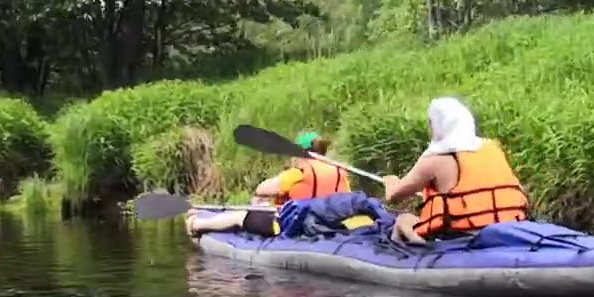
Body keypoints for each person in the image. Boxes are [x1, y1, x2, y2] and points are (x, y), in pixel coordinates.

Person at [380, 97, 530, 243]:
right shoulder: (491, 147)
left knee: (403, 219)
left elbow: (393, 196)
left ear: (437, 125)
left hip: (462, 235)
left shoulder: (435, 158)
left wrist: (390, 181)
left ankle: (408, 252)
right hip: (511, 227)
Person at [186, 131, 371, 237]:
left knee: (242, 215)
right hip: (332, 223)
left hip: (296, 225)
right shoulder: (339, 172)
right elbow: (346, 199)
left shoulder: (298, 173)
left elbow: (262, 189)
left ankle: (198, 224)